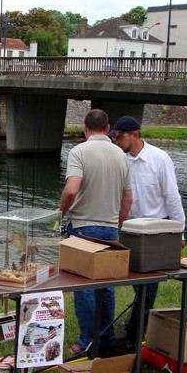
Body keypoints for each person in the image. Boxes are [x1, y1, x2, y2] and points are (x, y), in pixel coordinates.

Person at [60, 109, 132, 356]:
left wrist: (61, 210)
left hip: (82, 227)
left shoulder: (79, 152)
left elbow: (71, 190)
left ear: (84, 128)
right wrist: (118, 222)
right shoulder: (121, 155)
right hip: (110, 229)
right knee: (107, 287)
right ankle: (107, 337)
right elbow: (128, 198)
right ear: (108, 127)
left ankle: (88, 340)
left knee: (84, 288)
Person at [109, 116, 186, 344]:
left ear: (135, 134)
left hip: (157, 229)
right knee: (134, 277)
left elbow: (172, 197)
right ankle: (136, 325)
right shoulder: (120, 160)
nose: (116, 141)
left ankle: (134, 332)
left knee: (148, 285)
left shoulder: (159, 158)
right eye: (114, 138)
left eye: (120, 137)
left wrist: (179, 232)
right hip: (131, 227)